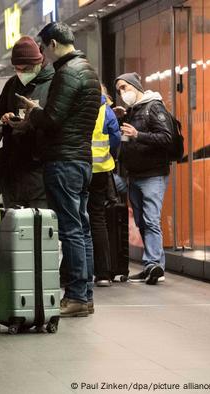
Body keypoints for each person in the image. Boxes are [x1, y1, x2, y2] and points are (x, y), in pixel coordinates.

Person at [18, 22, 100, 317]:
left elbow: (52, 119)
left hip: (63, 160)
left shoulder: (68, 73)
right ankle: (85, 295)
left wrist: (33, 111)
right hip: (81, 159)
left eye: (43, 47)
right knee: (82, 229)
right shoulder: (88, 69)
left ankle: (77, 295)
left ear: (53, 44)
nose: (43, 53)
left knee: (71, 230)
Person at [113, 72, 173, 285]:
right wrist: (120, 118)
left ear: (135, 86)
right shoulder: (132, 111)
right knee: (141, 221)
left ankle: (154, 264)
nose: (122, 93)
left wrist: (139, 135)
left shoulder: (154, 107)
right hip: (135, 175)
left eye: (124, 87)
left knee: (151, 219)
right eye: (119, 89)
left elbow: (167, 137)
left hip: (153, 175)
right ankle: (153, 266)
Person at [0, 35, 54, 209]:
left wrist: (33, 120)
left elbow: (58, 123)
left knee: (40, 228)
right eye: (17, 69)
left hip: (40, 171)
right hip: (13, 170)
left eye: (26, 68)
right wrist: (3, 121)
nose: (21, 73)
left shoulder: (54, 83)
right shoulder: (12, 85)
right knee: (16, 230)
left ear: (38, 62)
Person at [88, 84, 121, 287]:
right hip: (100, 171)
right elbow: (115, 139)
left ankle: (80, 273)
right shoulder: (106, 111)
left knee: (77, 221)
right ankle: (103, 274)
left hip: (79, 169)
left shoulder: (78, 107)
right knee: (97, 220)